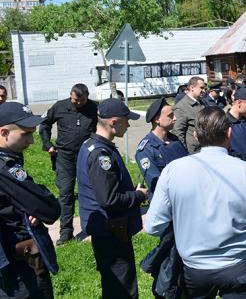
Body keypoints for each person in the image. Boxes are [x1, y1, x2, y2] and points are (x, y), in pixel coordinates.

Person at [144, 107, 246, 298]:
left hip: (195, 268)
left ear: (196, 136)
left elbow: (153, 226)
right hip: (240, 266)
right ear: (229, 133)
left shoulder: (172, 171)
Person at [76, 98, 148, 298]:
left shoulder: (91, 145)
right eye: (126, 120)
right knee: (123, 289)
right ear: (113, 122)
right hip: (112, 232)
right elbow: (109, 199)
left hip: (109, 230)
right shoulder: (101, 155)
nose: (129, 124)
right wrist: (138, 195)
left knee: (115, 287)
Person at [0, 102, 61, 298]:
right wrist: (32, 202)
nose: (31, 141)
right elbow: (50, 208)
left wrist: (26, 204)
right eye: (25, 134)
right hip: (17, 272)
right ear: (4, 133)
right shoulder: (4, 167)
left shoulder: (12, 158)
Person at [39, 83, 98, 245]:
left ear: (87, 97)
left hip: (87, 156)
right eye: (74, 100)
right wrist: (47, 144)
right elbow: (44, 124)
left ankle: (99, 224)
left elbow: (104, 125)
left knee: (94, 190)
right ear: (70, 95)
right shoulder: (60, 107)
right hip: (64, 156)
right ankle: (66, 231)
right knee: (66, 193)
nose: (77, 103)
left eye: (81, 101)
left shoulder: (94, 108)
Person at [134, 98, 189, 196]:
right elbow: (156, 184)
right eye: (170, 116)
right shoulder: (146, 149)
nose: (175, 118)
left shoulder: (174, 139)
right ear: (157, 120)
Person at [173, 76, 207, 153]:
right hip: (194, 152)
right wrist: (184, 153)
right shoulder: (181, 107)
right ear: (192, 88)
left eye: (204, 88)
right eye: (201, 88)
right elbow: (178, 133)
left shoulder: (202, 103)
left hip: (205, 148)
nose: (204, 91)